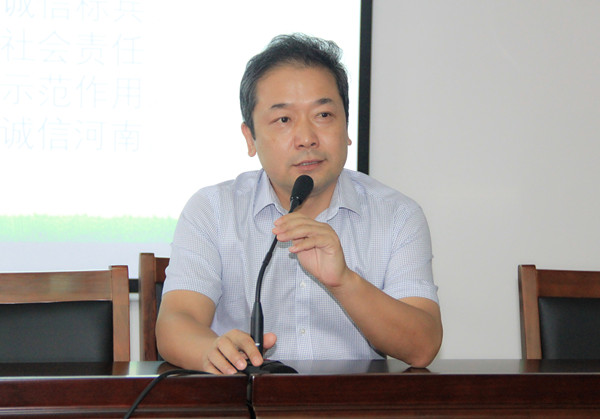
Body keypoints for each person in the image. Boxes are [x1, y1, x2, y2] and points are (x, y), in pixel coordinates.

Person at [156, 33, 442, 375]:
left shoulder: (397, 215)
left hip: (354, 401)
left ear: (347, 127)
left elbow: (422, 347)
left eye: (323, 115)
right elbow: (176, 323)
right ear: (250, 137)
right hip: (246, 398)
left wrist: (345, 282)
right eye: (284, 120)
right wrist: (211, 351)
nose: (307, 138)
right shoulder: (213, 210)